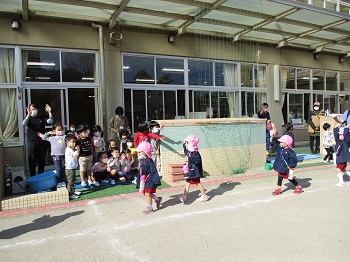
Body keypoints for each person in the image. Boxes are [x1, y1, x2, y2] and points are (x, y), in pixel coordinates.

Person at [22, 103, 53, 176]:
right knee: (32, 159)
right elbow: (24, 123)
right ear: (29, 110)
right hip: (32, 141)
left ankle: (40, 176)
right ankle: (32, 177)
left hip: (42, 141)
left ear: (37, 109)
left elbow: (50, 121)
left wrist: (49, 112)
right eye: (32, 109)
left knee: (41, 160)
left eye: (34, 109)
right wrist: (28, 114)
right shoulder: (29, 118)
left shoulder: (41, 117)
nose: (33, 111)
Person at [179, 135, 209, 203]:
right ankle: (184, 196)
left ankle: (204, 195)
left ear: (191, 144)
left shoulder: (195, 154)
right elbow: (185, 148)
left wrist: (189, 159)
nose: (186, 145)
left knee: (198, 183)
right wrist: (185, 143)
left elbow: (197, 161)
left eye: (187, 143)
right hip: (190, 172)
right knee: (187, 183)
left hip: (195, 172)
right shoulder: (188, 152)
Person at [136, 141, 162, 214]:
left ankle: (149, 208)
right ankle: (157, 199)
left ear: (145, 151)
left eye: (139, 152)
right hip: (144, 180)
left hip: (150, 179)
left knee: (147, 193)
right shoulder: (142, 160)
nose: (138, 154)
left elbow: (153, 171)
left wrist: (156, 180)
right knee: (145, 192)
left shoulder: (148, 160)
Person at [39, 123, 66, 187]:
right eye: (58, 130)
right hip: (55, 156)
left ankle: (64, 181)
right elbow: (44, 138)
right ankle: (59, 181)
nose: (60, 131)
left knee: (64, 168)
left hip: (64, 155)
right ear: (54, 131)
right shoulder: (52, 138)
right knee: (58, 169)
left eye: (61, 130)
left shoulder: (64, 137)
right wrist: (48, 133)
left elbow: (70, 137)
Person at [65, 135, 81, 200]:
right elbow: (74, 155)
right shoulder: (68, 150)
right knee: (70, 181)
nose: (74, 143)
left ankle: (73, 191)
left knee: (73, 180)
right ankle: (70, 194)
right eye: (72, 142)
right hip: (69, 168)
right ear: (67, 142)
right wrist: (77, 151)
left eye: (75, 142)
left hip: (73, 167)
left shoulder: (71, 149)